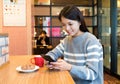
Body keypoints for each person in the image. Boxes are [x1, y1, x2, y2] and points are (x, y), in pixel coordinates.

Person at [45, 5, 103, 84]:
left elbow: (92, 74)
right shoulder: (67, 40)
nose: (67, 28)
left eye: (70, 24)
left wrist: (69, 67)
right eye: (64, 25)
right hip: (70, 81)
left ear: (79, 22)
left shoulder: (91, 41)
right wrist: (50, 61)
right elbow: (54, 53)